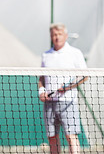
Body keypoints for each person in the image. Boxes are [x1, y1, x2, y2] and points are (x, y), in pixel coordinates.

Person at [38, 23, 88, 154]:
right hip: (49, 103)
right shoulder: (46, 55)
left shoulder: (75, 53)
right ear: (51, 36)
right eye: (54, 34)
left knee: (71, 136)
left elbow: (84, 75)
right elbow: (41, 77)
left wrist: (68, 87)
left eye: (59, 34)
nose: (57, 37)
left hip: (68, 102)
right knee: (52, 137)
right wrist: (41, 91)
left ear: (65, 36)